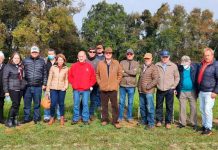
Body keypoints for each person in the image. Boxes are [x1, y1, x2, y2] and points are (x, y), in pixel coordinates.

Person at [96, 47, 122, 129]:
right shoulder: (100, 63)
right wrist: (100, 83)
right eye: (106, 53)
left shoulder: (116, 63)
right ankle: (105, 119)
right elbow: (97, 74)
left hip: (113, 88)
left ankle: (115, 121)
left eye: (109, 53)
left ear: (111, 54)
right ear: (104, 54)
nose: (108, 54)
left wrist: (116, 83)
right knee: (104, 105)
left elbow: (120, 74)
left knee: (114, 105)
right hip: (103, 88)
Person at [68, 51, 96, 125]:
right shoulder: (74, 66)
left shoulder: (89, 66)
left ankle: (85, 119)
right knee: (76, 104)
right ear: (78, 57)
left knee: (85, 104)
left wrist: (89, 85)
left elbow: (93, 77)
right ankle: (75, 118)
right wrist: (74, 84)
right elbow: (70, 76)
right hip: (76, 89)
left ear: (85, 57)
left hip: (86, 90)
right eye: (79, 56)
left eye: (82, 56)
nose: (81, 57)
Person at [22, 45, 47, 124]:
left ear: (38, 52)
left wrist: (44, 83)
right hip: (27, 86)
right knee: (27, 104)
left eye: (36, 52)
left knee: (37, 104)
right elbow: (21, 72)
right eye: (33, 52)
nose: (34, 53)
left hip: (38, 86)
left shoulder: (42, 61)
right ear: (30, 52)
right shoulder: (25, 60)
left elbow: (45, 73)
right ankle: (26, 118)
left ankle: (36, 118)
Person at [155, 50, 180, 129]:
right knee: (159, 106)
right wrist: (156, 85)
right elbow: (154, 76)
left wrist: (174, 86)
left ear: (169, 57)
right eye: (163, 57)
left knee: (169, 106)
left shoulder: (173, 66)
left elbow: (177, 77)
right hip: (159, 89)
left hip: (169, 89)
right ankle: (159, 120)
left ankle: (168, 122)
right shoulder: (157, 65)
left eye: (166, 57)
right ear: (161, 57)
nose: (165, 58)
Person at [198, 48, 218, 135]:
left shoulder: (216, 65)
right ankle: (204, 125)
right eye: (205, 55)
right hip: (201, 91)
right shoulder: (202, 64)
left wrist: (216, 91)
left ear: (212, 55)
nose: (206, 57)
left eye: (208, 55)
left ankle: (208, 128)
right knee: (202, 109)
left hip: (210, 91)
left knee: (207, 110)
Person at [3, 52, 26, 127]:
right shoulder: (8, 66)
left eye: (18, 58)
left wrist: (24, 84)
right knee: (15, 104)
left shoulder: (20, 66)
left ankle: (15, 120)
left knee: (18, 104)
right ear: (12, 58)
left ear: (20, 59)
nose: (17, 59)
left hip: (20, 88)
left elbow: (23, 77)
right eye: (15, 58)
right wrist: (6, 91)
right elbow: (5, 79)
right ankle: (9, 120)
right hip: (12, 88)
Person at [176, 56, 198, 130]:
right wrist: (176, 89)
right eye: (183, 62)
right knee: (182, 107)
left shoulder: (195, 68)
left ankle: (193, 122)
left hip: (192, 91)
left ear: (189, 62)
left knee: (193, 107)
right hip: (182, 91)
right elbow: (176, 79)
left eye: (186, 62)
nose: (184, 64)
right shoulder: (179, 68)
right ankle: (182, 123)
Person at [46, 54, 68, 126]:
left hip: (62, 89)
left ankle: (61, 117)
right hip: (53, 88)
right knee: (53, 104)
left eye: (61, 60)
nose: (60, 61)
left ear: (63, 61)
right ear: (57, 60)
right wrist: (47, 89)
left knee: (61, 104)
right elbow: (49, 78)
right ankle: (52, 117)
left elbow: (66, 79)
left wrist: (65, 87)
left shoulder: (66, 68)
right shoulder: (53, 67)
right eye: (59, 59)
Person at [138, 53, 159, 129]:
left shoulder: (154, 67)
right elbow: (140, 78)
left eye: (148, 58)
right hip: (141, 91)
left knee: (150, 107)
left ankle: (151, 123)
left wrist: (148, 86)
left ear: (151, 59)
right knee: (142, 107)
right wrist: (139, 87)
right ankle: (144, 120)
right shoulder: (143, 66)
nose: (147, 60)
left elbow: (156, 79)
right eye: (145, 58)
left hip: (149, 91)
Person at [119, 48, 139, 123]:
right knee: (121, 102)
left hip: (132, 86)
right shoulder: (122, 62)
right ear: (126, 55)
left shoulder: (136, 63)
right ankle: (120, 117)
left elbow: (134, 73)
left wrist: (125, 71)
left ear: (133, 55)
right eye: (128, 54)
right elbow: (120, 72)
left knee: (130, 102)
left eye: (131, 54)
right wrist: (129, 72)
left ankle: (129, 117)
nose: (129, 55)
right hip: (122, 85)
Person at [86, 47, 100, 120]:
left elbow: (99, 73)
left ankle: (91, 114)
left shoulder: (98, 61)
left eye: (93, 52)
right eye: (90, 51)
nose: (92, 53)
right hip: (85, 84)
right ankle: (84, 114)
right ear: (88, 52)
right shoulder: (85, 60)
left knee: (93, 100)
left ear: (95, 53)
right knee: (84, 100)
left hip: (94, 84)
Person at [43, 48, 57, 123]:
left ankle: (58, 115)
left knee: (57, 101)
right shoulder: (45, 62)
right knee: (47, 101)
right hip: (47, 85)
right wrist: (44, 84)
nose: (50, 55)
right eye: (49, 54)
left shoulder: (58, 62)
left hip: (56, 85)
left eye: (51, 54)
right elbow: (44, 74)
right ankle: (46, 116)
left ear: (54, 54)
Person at [0, 51, 5, 124]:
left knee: (1, 104)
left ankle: (1, 118)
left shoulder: (5, 66)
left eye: (1, 58)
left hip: (2, 89)